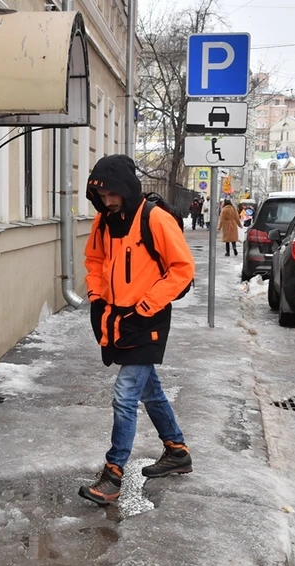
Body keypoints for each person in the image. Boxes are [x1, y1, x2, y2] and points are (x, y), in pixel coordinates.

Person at [80, 155, 196, 506]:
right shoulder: (103, 221)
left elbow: (182, 268)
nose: (107, 200)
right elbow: (94, 261)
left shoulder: (155, 219)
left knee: (125, 394)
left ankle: (113, 474)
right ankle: (176, 451)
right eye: (101, 195)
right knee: (149, 391)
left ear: (127, 190)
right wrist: (96, 296)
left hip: (148, 320)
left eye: (113, 194)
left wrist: (146, 305)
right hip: (116, 319)